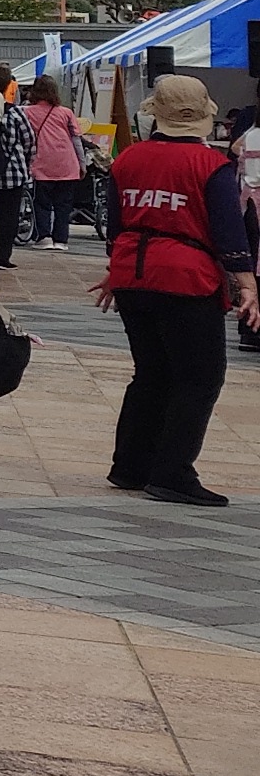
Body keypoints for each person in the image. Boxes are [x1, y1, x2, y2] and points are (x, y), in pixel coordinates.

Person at [99, 73, 249, 508]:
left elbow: (116, 225)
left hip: (132, 274)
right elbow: (228, 231)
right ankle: (173, 472)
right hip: (186, 278)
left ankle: (130, 465)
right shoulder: (211, 166)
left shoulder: (127, 159)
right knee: (200, 377)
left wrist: (115, 270)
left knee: (150, 372)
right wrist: (247, 282)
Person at [0, 66, 33, 294]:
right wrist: (26, 162)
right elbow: (29, 139)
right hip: (13, 173)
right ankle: (3, 256)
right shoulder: (14, 113)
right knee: (9, 216)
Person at [28, 79, 88, 247]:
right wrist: (82, 164)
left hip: (41, 163)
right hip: (67, 164)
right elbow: (76, 140)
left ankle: (44, 237)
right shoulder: (66, 113)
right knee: (63, 205)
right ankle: (61, 240)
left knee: (41, 203)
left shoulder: (26, 112)